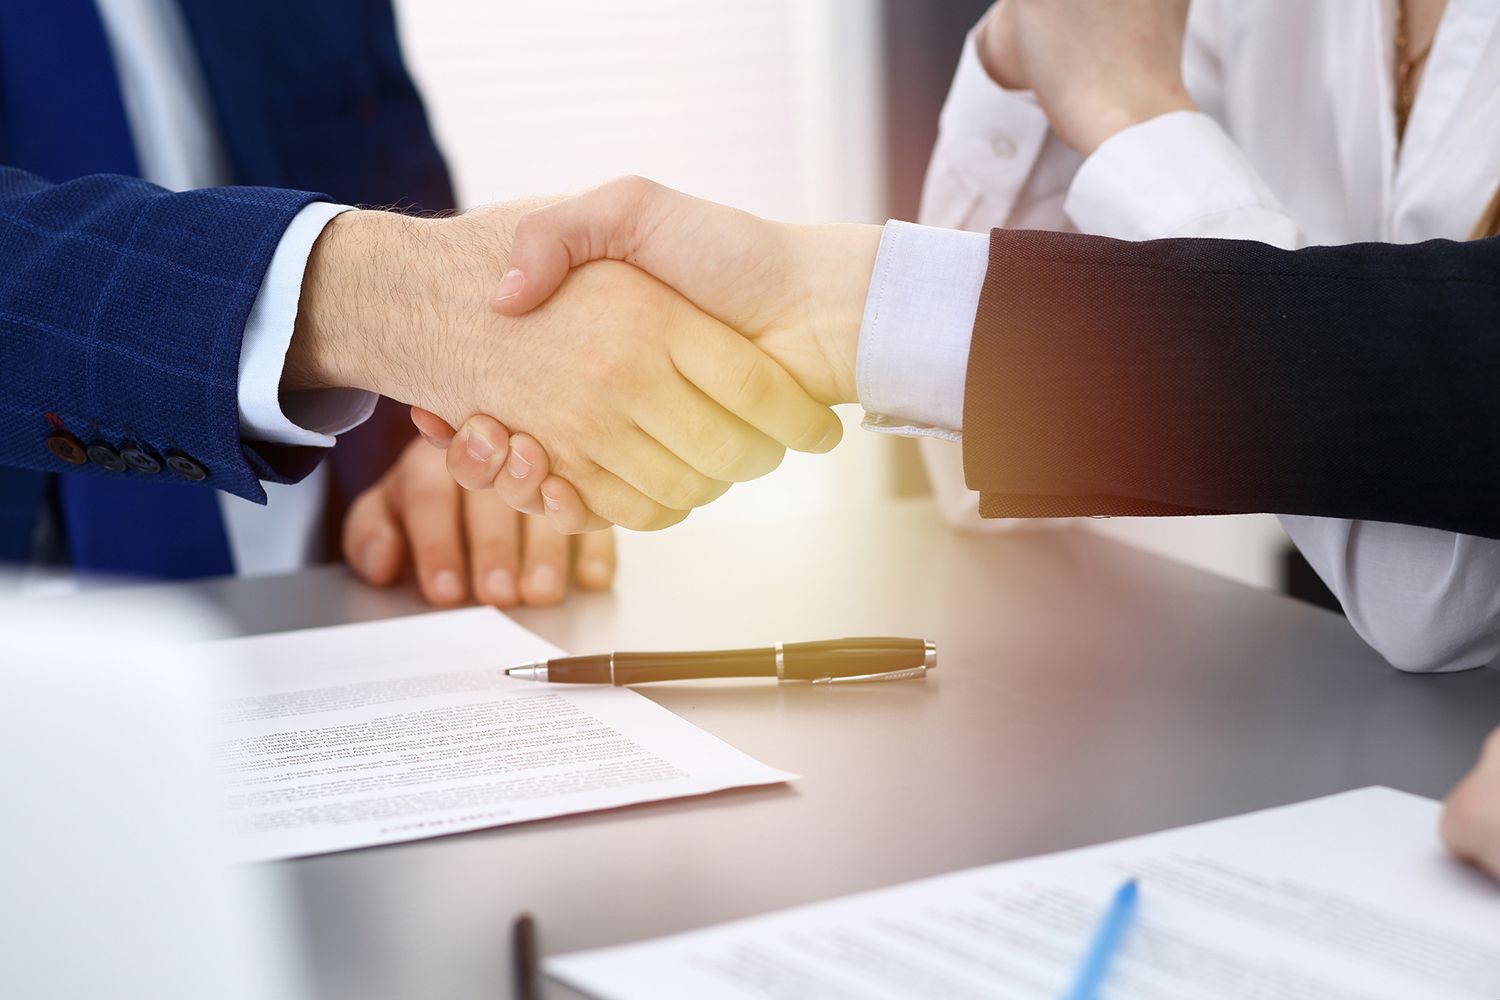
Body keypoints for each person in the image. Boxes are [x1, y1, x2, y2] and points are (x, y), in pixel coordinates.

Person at [0, 0, 841, 604]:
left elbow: (386, 182)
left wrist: (450, 446)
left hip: (348, 619)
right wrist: (388, 303)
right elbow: (408, 290)